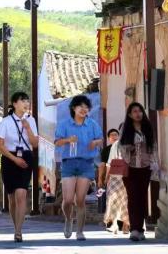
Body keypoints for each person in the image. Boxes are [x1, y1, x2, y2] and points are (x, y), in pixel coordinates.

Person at [55, 94, 104, 241]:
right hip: (68, 163)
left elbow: (101, 139)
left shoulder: (92, 124)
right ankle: (68, 219)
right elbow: (57, 142)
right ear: (73, 108)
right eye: (80, 106)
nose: (84, 109)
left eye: (86, 107)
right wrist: (67, 140)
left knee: (81, 200)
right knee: (68, 200)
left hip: (86, 163)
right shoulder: (64, 124)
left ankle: (80, 231)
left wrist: (95, 143)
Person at [0, 92, 39, 243]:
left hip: (26, 157)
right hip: (9, 158)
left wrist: (28, 128)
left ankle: (18, 231)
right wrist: (14, 159)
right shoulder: (6, 121)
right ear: (14, 104)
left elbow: (35, 143)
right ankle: (16, 227)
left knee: (21, 194)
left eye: (27, 100)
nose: (26, 103)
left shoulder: (31, 120)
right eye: (22, 101)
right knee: (12, 198)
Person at [118, 103, 157, 242]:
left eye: (140, 111)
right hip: (130, 168)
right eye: (134, 111)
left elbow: (153, 146)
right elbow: (120, 146)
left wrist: (154, 162)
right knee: (133, 198)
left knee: (142, 198)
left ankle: (141, 229)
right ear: (130, 114)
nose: (138, 113)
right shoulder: (125, 128)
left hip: (145, 167)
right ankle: (134, 229)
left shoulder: (148, 127)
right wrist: (130, 147)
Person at [99, 129, 129, 234]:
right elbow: (108, 163)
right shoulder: (114, 145)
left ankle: (126, 224)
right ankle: (113, 224)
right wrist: (106, 178)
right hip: (115, 176)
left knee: (126, 201)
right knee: (112, 200)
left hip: (129, 176)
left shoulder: (134, 143)